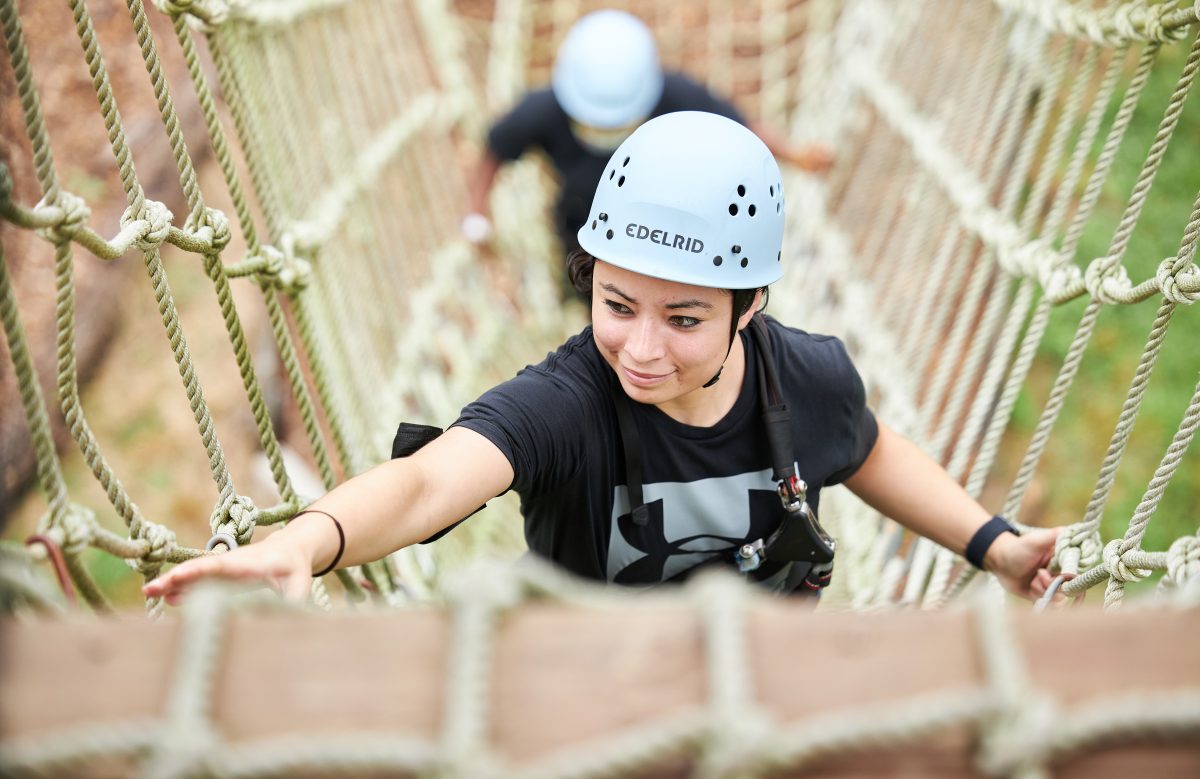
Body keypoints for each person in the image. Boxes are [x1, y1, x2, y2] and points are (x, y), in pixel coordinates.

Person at [146, 112, 1060, 606]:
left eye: (686, 318)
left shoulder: (803, 378)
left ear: (749, 308)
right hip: (595, 688)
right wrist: (306, 542)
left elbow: (864, 448)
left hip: (772, 677)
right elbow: (428, 485)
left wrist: (992, 545)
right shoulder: (568, 404)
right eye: (616, 304)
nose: (641, 348)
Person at [461, 9, 833, 266]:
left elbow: (741, 130)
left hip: (666, 218)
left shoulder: (676, 97)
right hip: (582, 222)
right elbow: (495, 149)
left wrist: (796, 154)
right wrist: (478, 215)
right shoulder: (542, 110)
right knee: (594, 297)